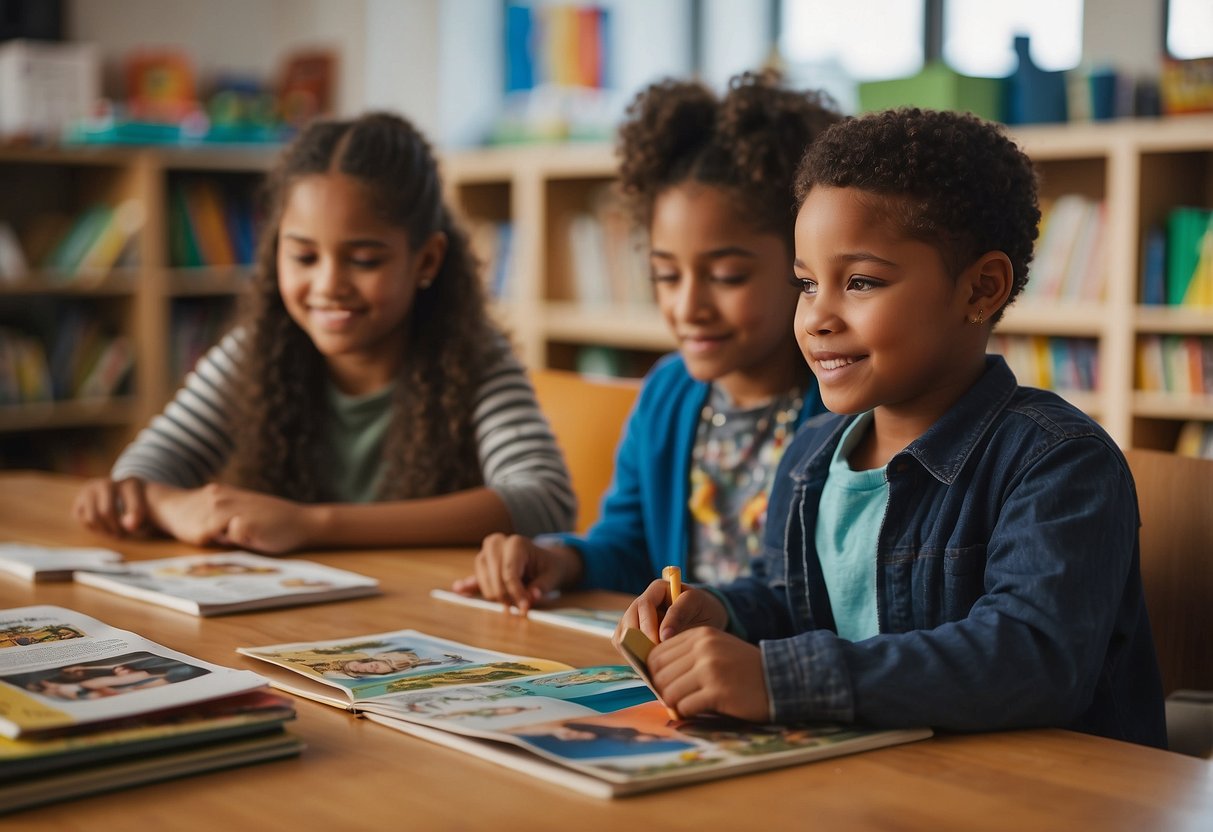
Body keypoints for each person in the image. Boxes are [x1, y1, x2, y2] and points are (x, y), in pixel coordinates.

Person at [616, 108, 1167, 748]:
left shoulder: (1059, 463)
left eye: (860, 282)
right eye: (805, 283)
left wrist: (780, 679)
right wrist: (725, 613)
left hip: (1036, 795)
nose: (817, 317)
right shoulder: (810, 456)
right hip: (876, 778)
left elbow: (1032, 658)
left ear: (981, 290)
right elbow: (793, 601)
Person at [72, 112, 575, 553]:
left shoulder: (475, 358)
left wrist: (313, 524)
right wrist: (162, 503)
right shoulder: (255, 350)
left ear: (427, 260)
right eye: (304, 257)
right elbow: (146, 470)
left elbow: (544, 501)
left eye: (364, 259)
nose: (328, 285)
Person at [454, 71, 841, 608]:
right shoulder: (668, 391)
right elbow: (627, 545)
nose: (688, 308)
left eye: (727, 276)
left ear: (801, 265)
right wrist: (560, 558)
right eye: (666, 275)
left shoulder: (841, 403)